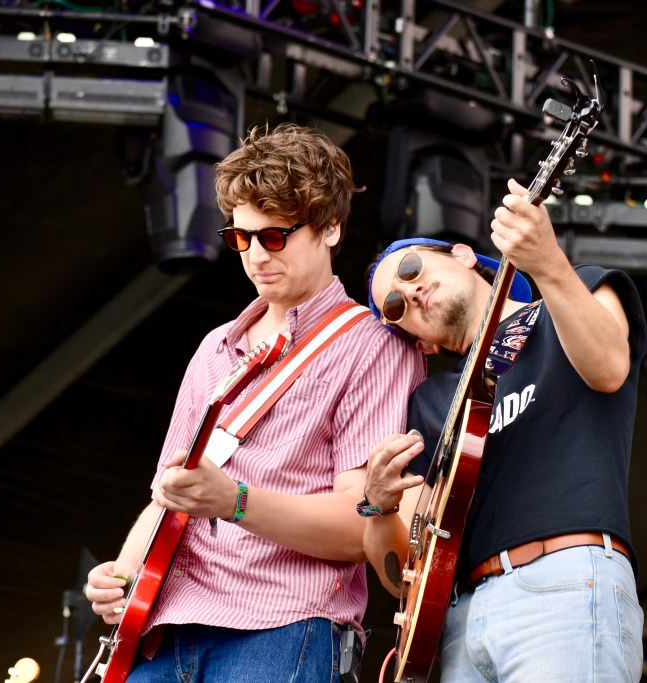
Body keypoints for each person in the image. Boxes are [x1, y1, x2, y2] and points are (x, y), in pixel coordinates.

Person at [84, 122, 426, 682]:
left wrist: (234, 501)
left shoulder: (374, 345)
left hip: (285, 626)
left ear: (331, 228)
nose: (255, 255)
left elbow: (357, 527)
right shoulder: (214, 348)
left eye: (274, 236)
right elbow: (167, 496)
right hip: (164, 630)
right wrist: (123, 577)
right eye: (240, 238)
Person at [359, 177, 647, 681]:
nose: (410, 290)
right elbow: (406, 578)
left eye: (410, 270)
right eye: (395, 306)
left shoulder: (577, 293)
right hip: (463, 621)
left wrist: (549, 263)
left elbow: (609, 367)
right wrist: (379, 506)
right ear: (418, 343)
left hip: (564, 580)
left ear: (465, 255)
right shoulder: (430, 404)